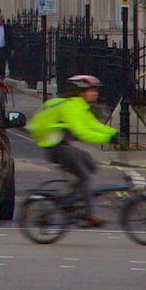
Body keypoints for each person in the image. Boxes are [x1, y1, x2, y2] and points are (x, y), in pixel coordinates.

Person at [27, 75, 116, 226]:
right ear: (81, 91)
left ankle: (72, 198)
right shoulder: (70, 107)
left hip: (63, 146)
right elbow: (81, 131)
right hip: (56, 148)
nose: (96, 93)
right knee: (85, 176)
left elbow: (93, 125)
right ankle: (88, 215)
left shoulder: (80, 106)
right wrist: (108, 138)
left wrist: (113, 133)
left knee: (89, 163)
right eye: (92, 89)